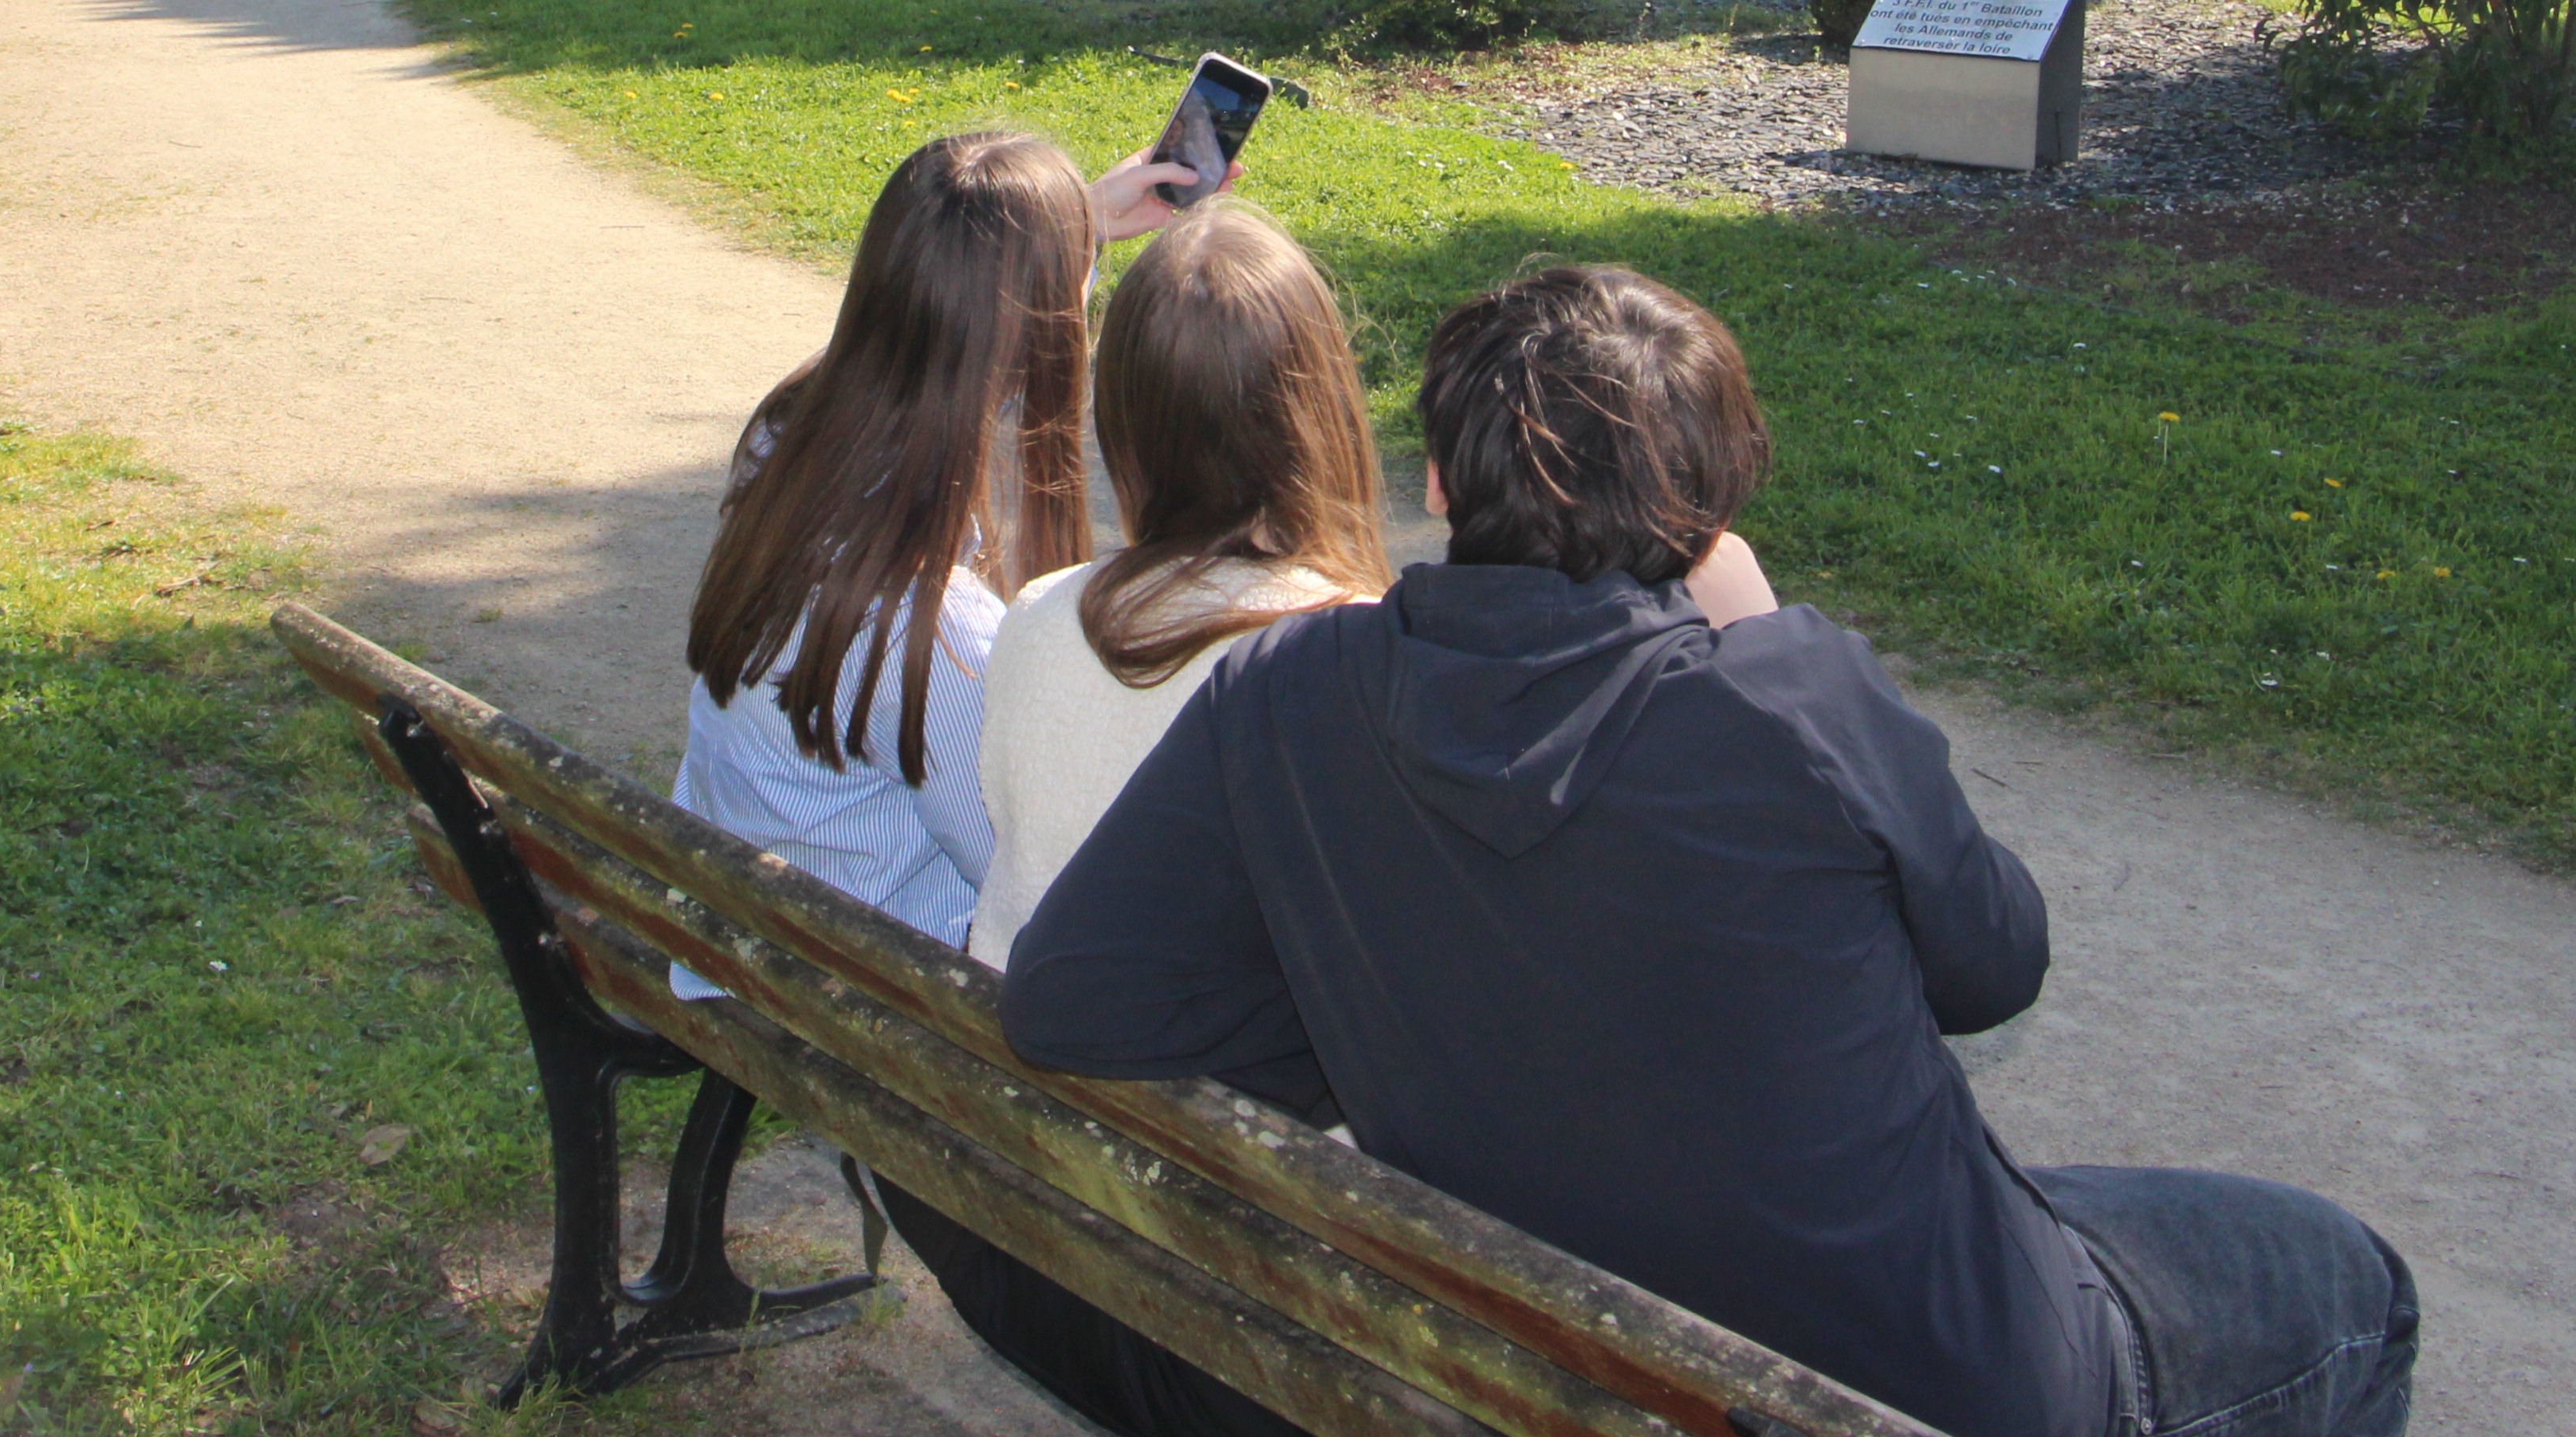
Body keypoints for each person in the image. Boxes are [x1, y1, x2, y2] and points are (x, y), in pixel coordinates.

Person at [1001, 265, 2419, 1437]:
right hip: (1940, 1377)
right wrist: (1764, 634)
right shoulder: (1789, 697)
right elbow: (1995, 963)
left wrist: (1380, 997)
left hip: (1559, 1354)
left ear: (1436, 481)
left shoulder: (1289, 694)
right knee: (2355, 1288)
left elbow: (1073, 1000)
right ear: (1706, 517)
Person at [672, 128, 1293, 1437]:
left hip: (750, 932)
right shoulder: (934, 638)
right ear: (1032, 350)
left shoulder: (787, 439)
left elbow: (932, 309)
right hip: (878, 1009)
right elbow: (1031, 878)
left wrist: (1077, 234)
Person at [967, 199, 1396, 965]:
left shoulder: (1038, 615)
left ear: (1122, 417)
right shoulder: (1360, 657)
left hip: (1003, 1029)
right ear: (1322, 410)